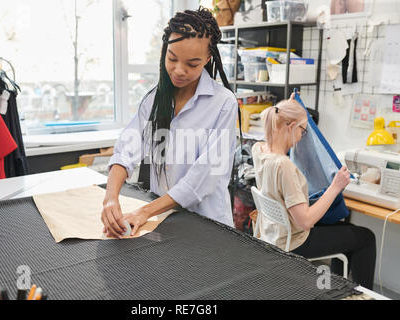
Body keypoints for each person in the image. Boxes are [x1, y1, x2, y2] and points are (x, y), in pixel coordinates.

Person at [102, 7, 238, 239]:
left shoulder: (223, 103)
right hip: (163, 222)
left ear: (207, 58)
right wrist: (110, 197)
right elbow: (127, 149)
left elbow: (203, 177)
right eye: (172, 58)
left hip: (208, 226)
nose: (179, 70)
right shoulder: (154, 100)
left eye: (192, 64)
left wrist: (144, 211)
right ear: (165, 50)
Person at [251, 94, 376, 289]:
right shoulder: (284, 166)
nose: (303, 136)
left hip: (273, 234)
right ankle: (363, 294)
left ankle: (337, 287)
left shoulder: (258, 150)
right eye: (303, 130)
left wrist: (293, 107)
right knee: (366, 237)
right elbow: (306, 221)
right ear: (290, 127)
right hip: (294, 241)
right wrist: (335, 187)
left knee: (343, 228)